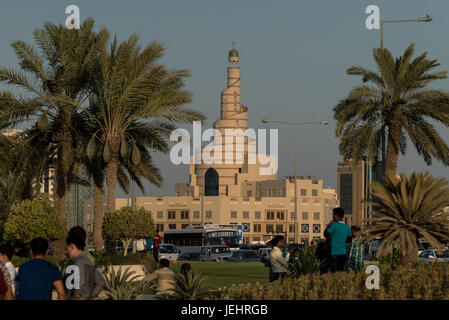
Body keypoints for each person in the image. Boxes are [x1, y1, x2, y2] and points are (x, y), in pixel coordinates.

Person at [65, 230, 105, 300]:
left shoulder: (78, 262)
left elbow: (80, 285)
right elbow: (100, 281)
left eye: (67, 248)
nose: (67, 252)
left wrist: (78, 297)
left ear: (72, 246)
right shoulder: (88, 261)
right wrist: (91, 296)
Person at [324, 207, 352, 273]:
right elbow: (349, 240)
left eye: (333, 214)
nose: (332, 216)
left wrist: (328, 225)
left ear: (336, 215)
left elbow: (325, 234)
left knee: (333, 272)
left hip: (334, 252)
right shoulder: (347, 227)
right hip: (343, 253)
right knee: (340, 271)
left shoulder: (333, 225)